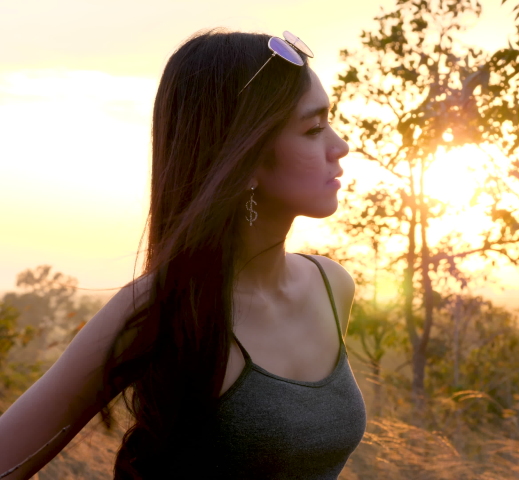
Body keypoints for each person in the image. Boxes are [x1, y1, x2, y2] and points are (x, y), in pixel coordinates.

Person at [0, 29, 366, 479]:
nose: (340, 146)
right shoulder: (164, 307)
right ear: (244, 155)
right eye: (313, 128)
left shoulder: (332, 286)